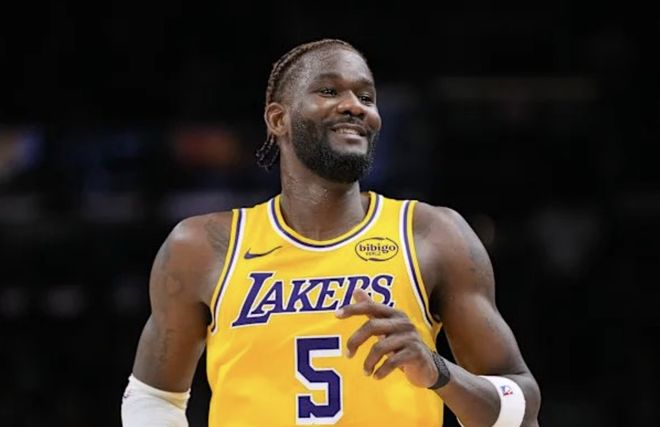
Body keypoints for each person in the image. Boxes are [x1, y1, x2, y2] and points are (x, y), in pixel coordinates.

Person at [121, 38, 541, 427]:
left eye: (366, 97)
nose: (355, 106)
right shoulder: (203, 247)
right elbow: (153, 398)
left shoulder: (432, 235)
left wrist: (439, 371)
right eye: (329, 91)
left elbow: (523, 406)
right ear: (278, 119)